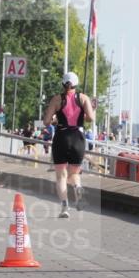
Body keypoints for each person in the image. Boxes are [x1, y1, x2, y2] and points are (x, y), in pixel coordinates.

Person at [43, 71, 95, 218]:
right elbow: (90, 118)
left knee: (61, 176)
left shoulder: (56, 99)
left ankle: (65, 208)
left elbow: (46, 122)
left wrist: (55, 120)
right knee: (74, 174)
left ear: (63, 83)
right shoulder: (83, 98)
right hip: (78, 138)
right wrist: (84, 114)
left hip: (61, 137)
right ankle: (77, 186)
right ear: (76, 84)